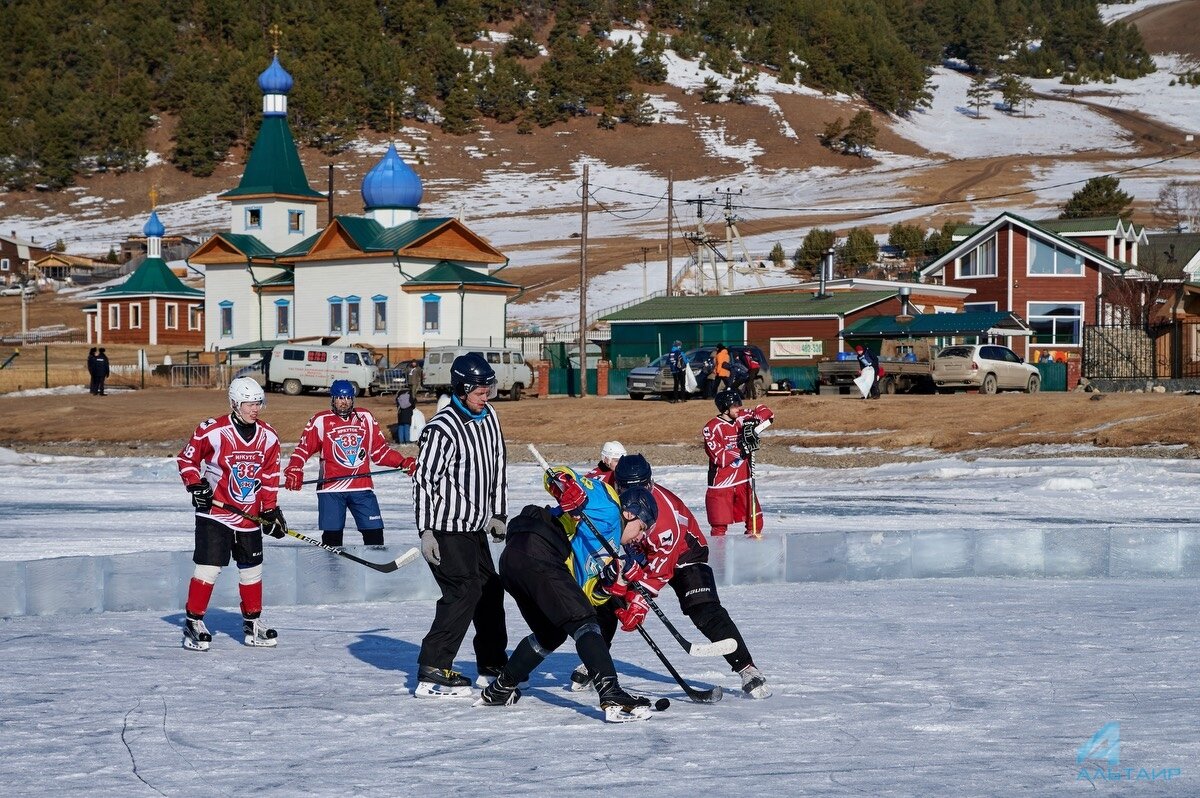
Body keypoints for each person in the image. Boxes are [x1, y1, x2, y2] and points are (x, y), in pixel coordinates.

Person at [569, 451, 770, 699]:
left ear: (650, 483)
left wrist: (639, 605)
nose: (633, 494)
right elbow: (581, 486)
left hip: (685, 553)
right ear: (616, 482)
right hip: (639, 550)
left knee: (703, 609)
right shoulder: (607, 486)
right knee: (608, 600)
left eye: (642, 487)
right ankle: (595, 662)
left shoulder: (665, 520)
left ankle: (747, 669)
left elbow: (660, 568)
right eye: (625, 488)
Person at [476, 466, 659, 722]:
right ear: (630, 513)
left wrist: (606, 588)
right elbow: (558, 475)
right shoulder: (608, 503)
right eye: (642, 528)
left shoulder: (609, 551)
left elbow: (582, 592)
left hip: (518, 563)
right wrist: (565, 485)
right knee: (584, 622)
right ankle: (611, 693)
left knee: (551, 632)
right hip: (537, 546)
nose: (640, 537)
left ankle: (500, 689)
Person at [411, 352, 509, 698]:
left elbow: (497, 464)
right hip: (445, 528)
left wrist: (498, 513)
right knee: (463, 591)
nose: (487, 396)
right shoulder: (442, 429)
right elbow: (424, 481)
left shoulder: (489, 416)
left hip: (474, 528)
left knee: (491, 589)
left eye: (490, 389)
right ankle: (434, 667)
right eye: (481, 390)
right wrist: (426, 531)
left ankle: (493, 664)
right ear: (462, 388)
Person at [176, 377, 287, 651]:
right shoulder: (212, 430)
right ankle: (194, 621)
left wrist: (271, 509)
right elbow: (187, 460)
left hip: (249, 514)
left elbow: (271, 475)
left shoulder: (269, 436)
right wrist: (196, 484)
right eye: (250, 403)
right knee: (210, 567)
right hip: (215, 512)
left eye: (258, 403)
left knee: (252, 570)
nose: (255, 408)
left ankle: (253, 623)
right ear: (235, 403)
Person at [283, 379, 416, 548]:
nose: (343, 402)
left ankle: (374, 570)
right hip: (332, 489)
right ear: (332, 399)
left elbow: (380, 452)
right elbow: (303, 449)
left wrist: (402, 462)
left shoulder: (365, 418)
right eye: (339, 398)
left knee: (375, 533)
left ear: (353, 399)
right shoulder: (320, 420)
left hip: (361, 487)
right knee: (332, 539)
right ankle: (332, 571)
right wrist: (294, 468)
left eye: (347, 398)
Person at [702, 389, 774, 536]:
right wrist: (742, 447)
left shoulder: (741, 417)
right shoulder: (712, 428)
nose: (738, 408)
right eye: (734, 406)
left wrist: (756, 422)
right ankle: (720, 557)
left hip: (743, 479)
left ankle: (751, 553)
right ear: (725, 408)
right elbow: (719, 458)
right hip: (722, 484)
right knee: (719, 526)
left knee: (756, 520)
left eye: (738, 404)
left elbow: (768, 413)